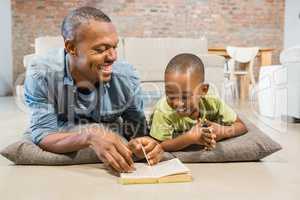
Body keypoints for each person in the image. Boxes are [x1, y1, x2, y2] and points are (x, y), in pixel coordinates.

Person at [24, 6, 163, 173]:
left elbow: (138, 131)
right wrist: (90, 135)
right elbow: (43, 134)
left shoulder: (127, 77)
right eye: (101, 49)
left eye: (114, 47)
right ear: (71, 48)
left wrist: (145, 144)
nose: (113, 57)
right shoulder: (41, 75)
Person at [149, 53, 248, 152]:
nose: (177, 103)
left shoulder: (212, 101)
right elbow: (159, 145)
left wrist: (223, 131)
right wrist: (189, 138)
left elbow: (241, 126)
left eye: (185, 96)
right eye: (170, 95)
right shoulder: (163, 110)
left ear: (203, 90)